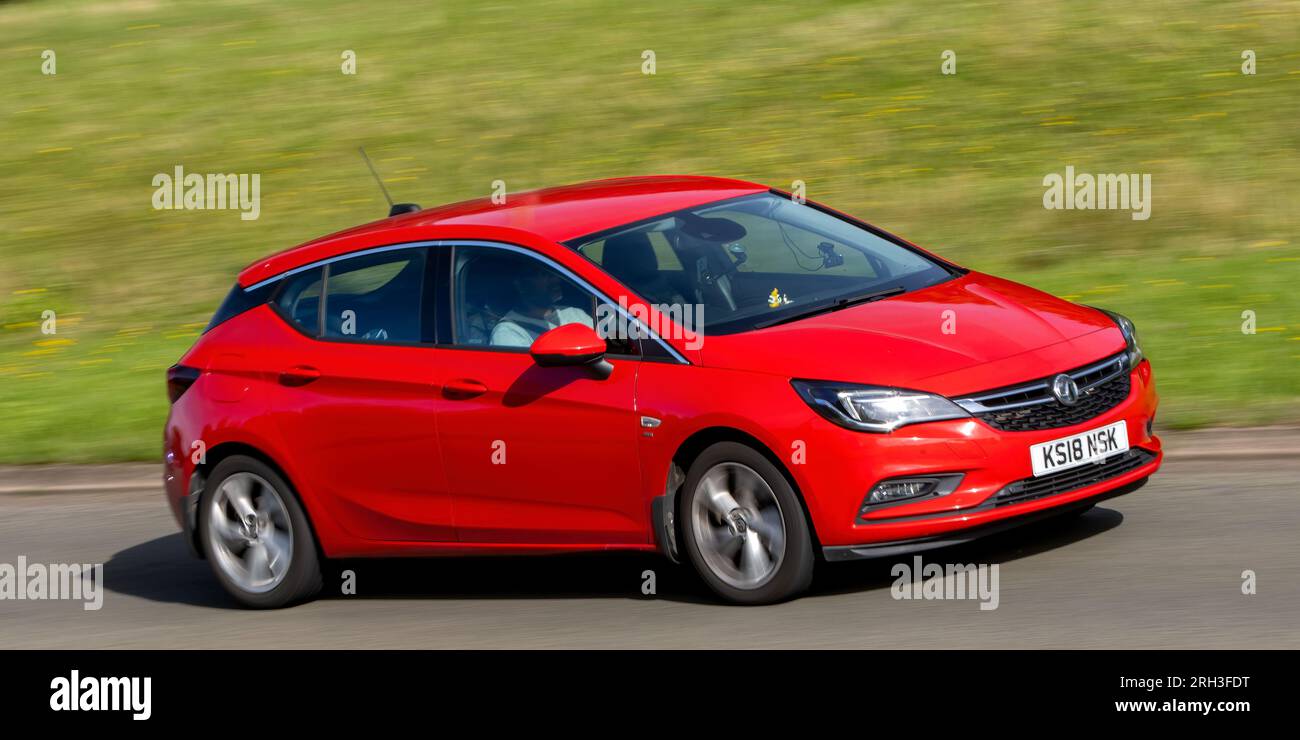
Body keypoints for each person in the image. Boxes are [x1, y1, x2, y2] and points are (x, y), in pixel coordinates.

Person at [489, 268, 593, 347]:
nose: (556, 280)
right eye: (544, 275)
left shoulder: (574, 313)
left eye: (554, 274)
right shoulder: (508, 332)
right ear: (520, 284)